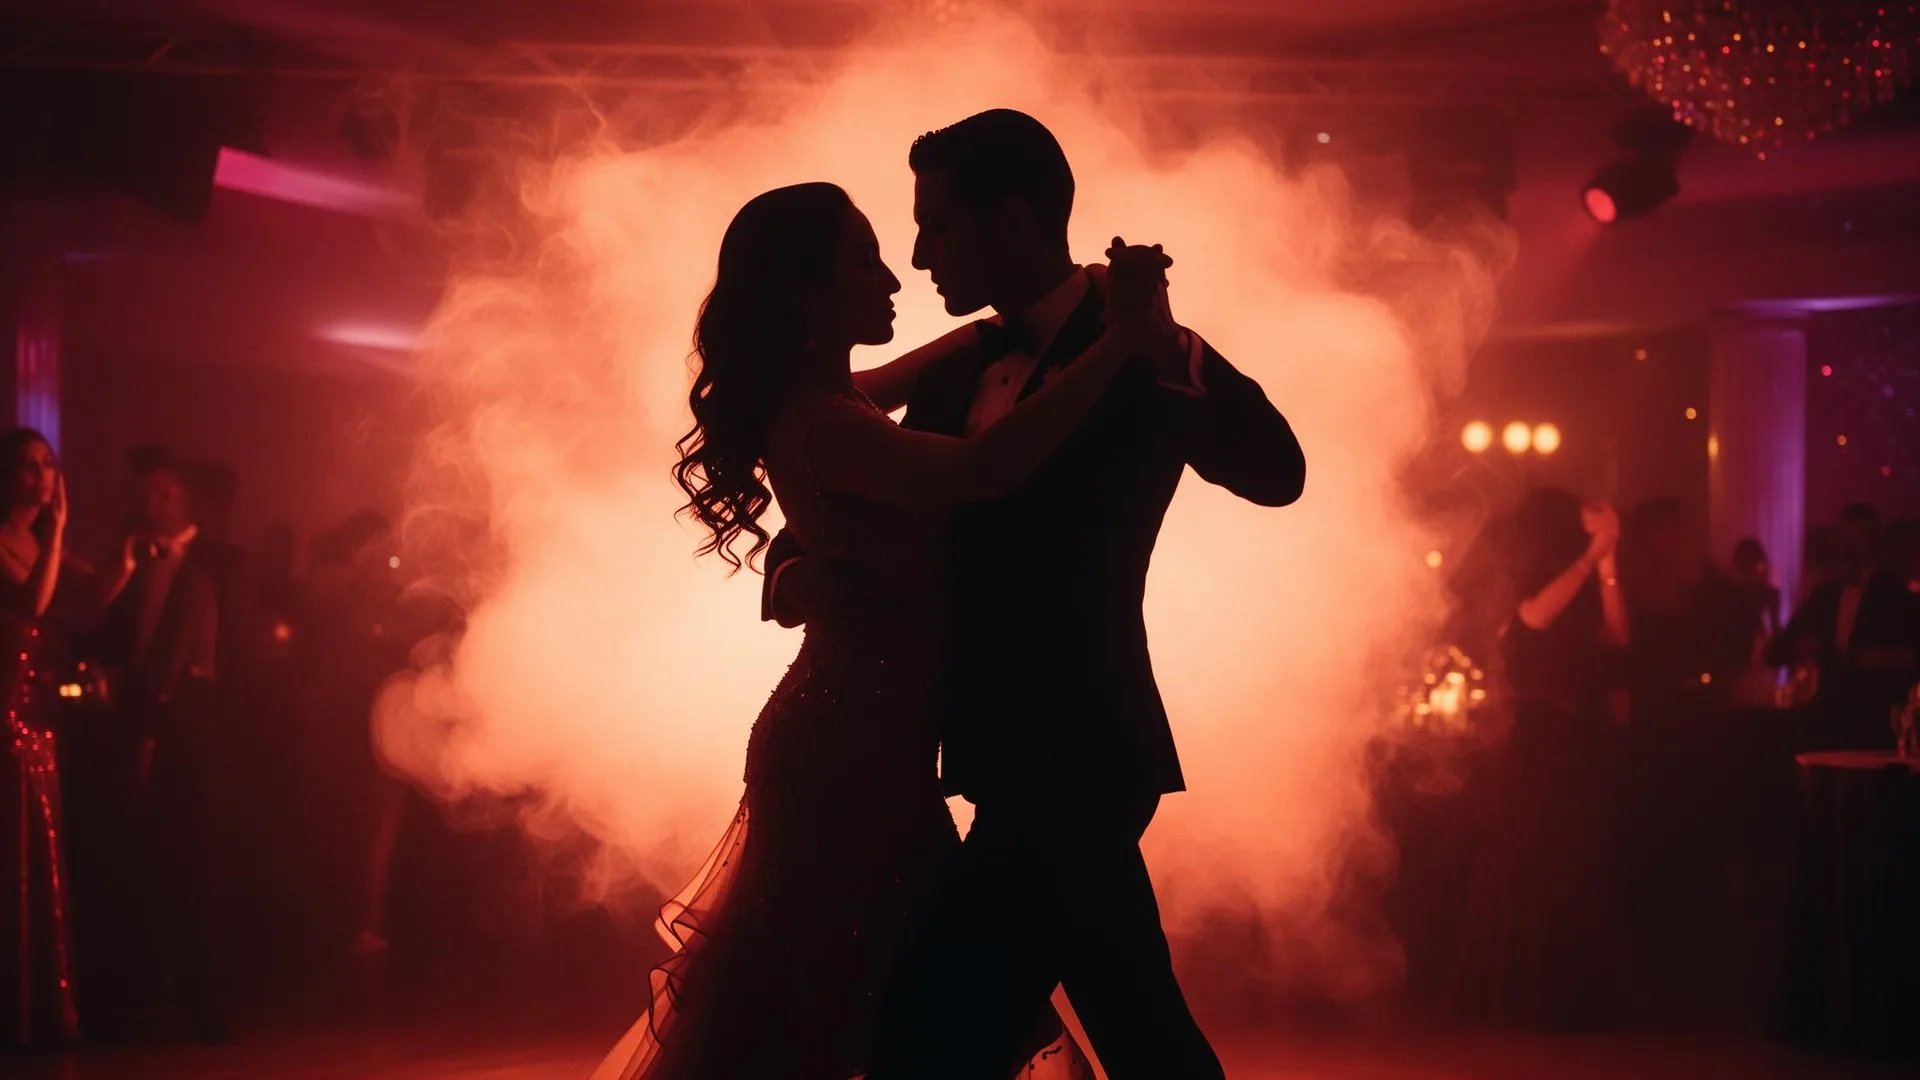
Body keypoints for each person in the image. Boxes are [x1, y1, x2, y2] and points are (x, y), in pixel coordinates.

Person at [589, 182, 1180, 1080]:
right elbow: (987, 469)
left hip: (870, 748)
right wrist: (1119, 345)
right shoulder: (830, 422)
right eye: (864, 257)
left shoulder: (833, 397)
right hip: (849, 755)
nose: (896, 274)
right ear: (807, 295)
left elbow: (972, 345)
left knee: (900, 1014)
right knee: (866, 1018)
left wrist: (1079, 307)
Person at [771, 110, 1305, 1080]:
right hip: (993, 756)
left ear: (1010, 218)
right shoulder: (961, 365)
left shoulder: (1140, 343)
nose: (920, 254)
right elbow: (856, 495)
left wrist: (1164, 345)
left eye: (937, 226)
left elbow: (1278, 470)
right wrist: (796, 568)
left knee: (933, 1032)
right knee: (1139, 1019)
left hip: (1081, 753)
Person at [1450, 488, 1634, 1030]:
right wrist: (1593, 555)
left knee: (1566, 855)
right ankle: (1515, 987)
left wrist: (1610, 561)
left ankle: (1558, 990)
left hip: (1566, 741)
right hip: (1529, 741)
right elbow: (1535, 618)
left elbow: (1618, 633)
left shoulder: (1577, 589)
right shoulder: (1525, 592)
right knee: (1524, 853)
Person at [0, 427, 81, 1045]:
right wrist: (56, 535)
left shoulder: (41, 539)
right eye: (28, 466)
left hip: (39, 714)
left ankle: (40, 1009)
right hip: (6, 713)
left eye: (47, 464)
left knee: (41, 854)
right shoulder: (10, 541)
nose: (40, 476)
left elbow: (95, 597)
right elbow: (33, 605)